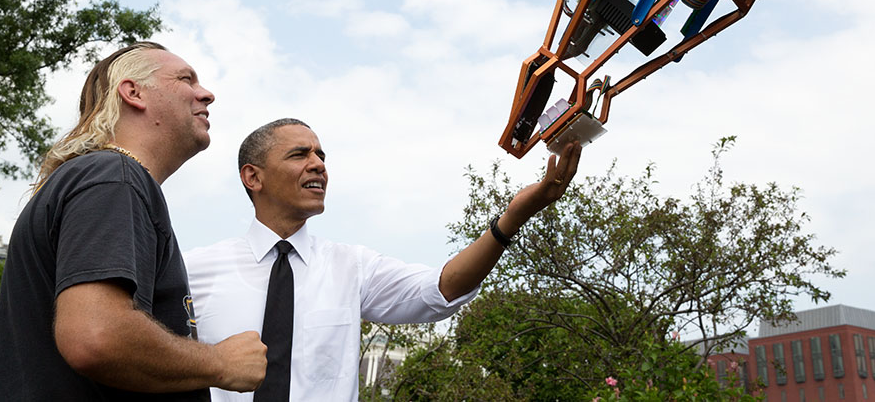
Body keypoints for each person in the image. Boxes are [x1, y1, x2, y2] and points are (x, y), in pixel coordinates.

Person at [185, 117, 581, 401]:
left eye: (321, 155)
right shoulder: (193, 270)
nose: (318, 164)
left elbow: (442, 290)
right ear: (253, 177)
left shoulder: (351, 267)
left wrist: (513, 218)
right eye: (298, 154)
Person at [0, 42, 267, 401]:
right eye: (185, 79)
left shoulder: (106, 179)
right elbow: (95, 337)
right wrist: (220, 363)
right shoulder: (114, 178)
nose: (206, 94)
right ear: (133, 93)